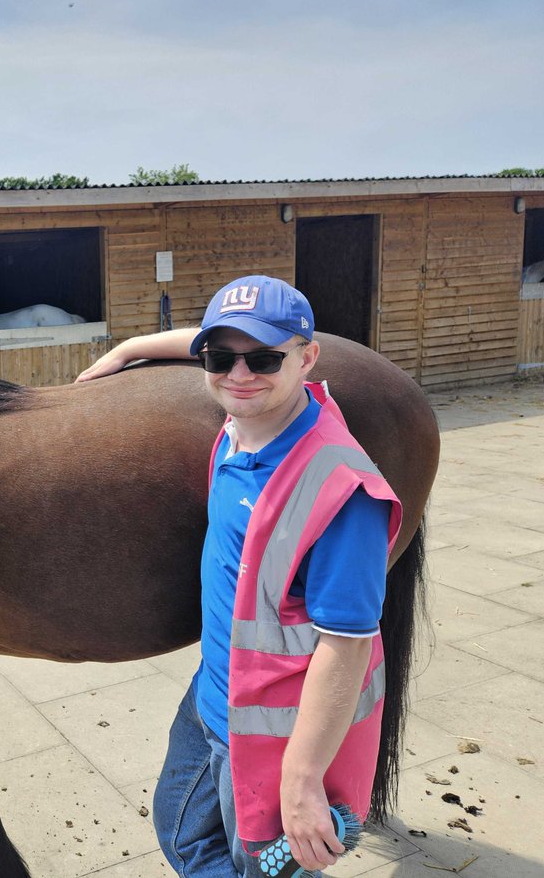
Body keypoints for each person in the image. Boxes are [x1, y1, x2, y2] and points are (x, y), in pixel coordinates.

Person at [77, 275, 401, 877]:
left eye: (263, 358)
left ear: (308, 358)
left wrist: (302, 786)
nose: (239, 374)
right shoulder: (248, 421)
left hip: (271, 733)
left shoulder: (342, 492)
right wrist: (129, 349)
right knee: (180, 828)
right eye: (221, 358)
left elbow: (348, 646)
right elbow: (218, 351)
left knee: (260, 865)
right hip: (214, 695)